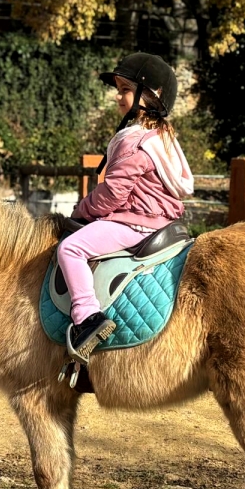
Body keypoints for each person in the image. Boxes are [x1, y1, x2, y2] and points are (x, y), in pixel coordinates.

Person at [60, 52, 194, 361]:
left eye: (125, 89)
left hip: (134, 222)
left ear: (150, 95)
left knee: (70, 248)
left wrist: (81, 210)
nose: (119, 97)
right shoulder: (160, 139)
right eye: (118, 89)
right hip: (159, 222)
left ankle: (87, 318)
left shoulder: (134, 142)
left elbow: (113, 195)